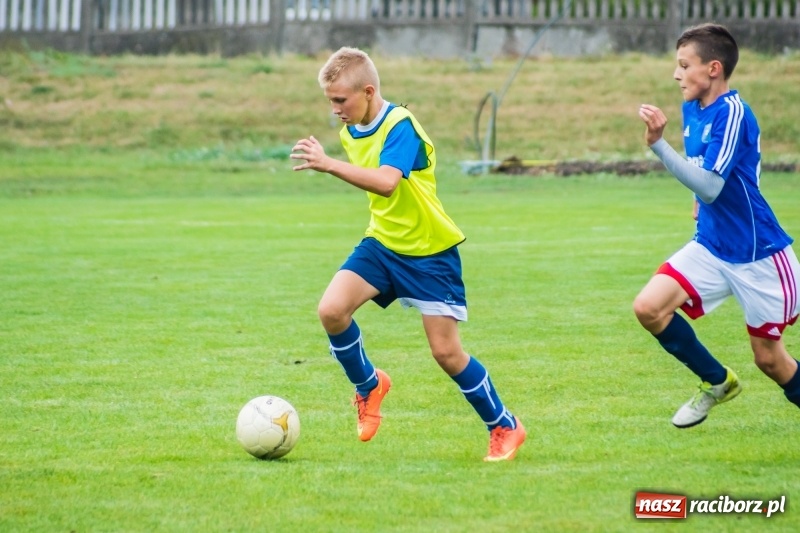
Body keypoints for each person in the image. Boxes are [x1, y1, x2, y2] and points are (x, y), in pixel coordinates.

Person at [290, 47, 526, 460]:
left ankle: (504, 425)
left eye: (340, 100)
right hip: (382, 244)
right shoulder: (350, 131)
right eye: (330, 101)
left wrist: (328, 165)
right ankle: (369, 386)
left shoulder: (401, 126)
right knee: (331, 311)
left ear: (367, 91)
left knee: (446, 353)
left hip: (430, 253)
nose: (335, 110)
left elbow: (385, 183)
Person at [635, 23, 800, 428]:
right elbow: (705, 170)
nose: (676, 74)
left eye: (683, 65)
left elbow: (710, 185)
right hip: (711, 244)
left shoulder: (734, 113)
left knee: (769, 359)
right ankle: (718, 382)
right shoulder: (694, 108)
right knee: (649, 308)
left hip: (757, 252)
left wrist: (658, 143)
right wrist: (698, 199)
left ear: (712, 68)